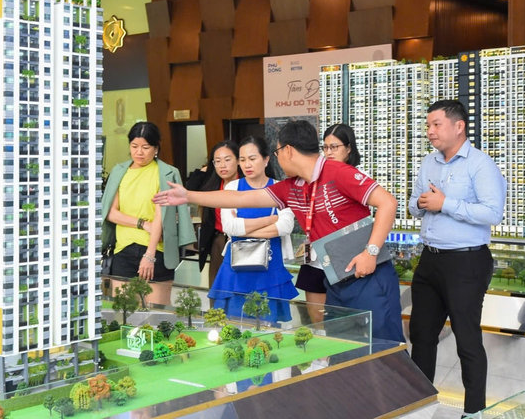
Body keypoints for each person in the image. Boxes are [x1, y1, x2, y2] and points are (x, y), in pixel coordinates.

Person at [154, 121, 405, 343]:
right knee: (345, 350)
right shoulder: (292, 187)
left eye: (276, 153)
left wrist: (370, 252)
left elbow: (388, 203)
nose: (277, 160)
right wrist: (188, 195)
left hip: (370, 277)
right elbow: (242, 198)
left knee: (385, 348)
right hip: (337, 279)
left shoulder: (338, 172)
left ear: (288, 150)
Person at [407, 100, 506, 416]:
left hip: (466, 262)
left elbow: (493, 213)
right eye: (428, 126)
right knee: (421, 335)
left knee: (467, 340)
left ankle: (474, 410)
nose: (430, 132)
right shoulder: (428, 163)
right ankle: (419, 405)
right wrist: (422, 203)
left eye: (436, 124)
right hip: (430, 260)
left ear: (458, 125)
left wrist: (445, 204)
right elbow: (413, 204)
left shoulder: (480, 164)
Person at [100, 122, 196, 305]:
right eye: (134, 146)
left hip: (157, 251)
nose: (139, 152)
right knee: (123, 315)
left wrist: (149, 255)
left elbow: (162, 215)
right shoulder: (120, 172)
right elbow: (111, 213)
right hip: (123, 251)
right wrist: (143, 224)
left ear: (156, 148)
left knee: (158, 315)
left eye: (145, 147)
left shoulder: (166, 173)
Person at [209, 136, 298, 322]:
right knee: (232, 328)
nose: (246, 165)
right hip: (236, 272)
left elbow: (285, 226)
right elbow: (229, 227)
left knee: (268, 331)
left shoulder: (280, 188)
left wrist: (244, 230)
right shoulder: (232, 187)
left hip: (270, 271)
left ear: (266, 159)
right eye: (242, 160)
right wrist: (270, 219)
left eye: (252, 158)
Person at [297, 123, 364, 322]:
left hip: (345, 256)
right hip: (316, 254)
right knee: (316, 316)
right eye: (325, 148)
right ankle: (320, 354)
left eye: (334, 147)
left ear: (349, 148)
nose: (328, 152)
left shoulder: (357, 178)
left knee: (343, 319)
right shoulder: (313, 179)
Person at [185, 141, 242, 288]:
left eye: (227, 160)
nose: (222, 165)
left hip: (243, 240)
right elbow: (189, 190)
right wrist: (207, 169)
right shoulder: (213, 185)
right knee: (218, 290)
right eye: (217, 161)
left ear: (238, 160)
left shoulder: (247, 183)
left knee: (241, 288)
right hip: (219, 241)